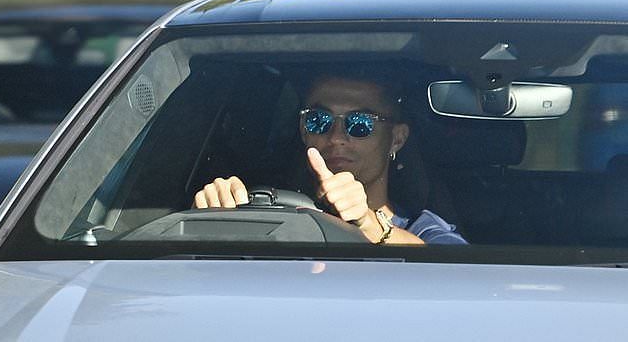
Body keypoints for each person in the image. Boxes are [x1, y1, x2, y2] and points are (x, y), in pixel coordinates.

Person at [194, 68, 466, 245]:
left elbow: (458, 272)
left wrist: (368, 223)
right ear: (303, 131)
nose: (336, 137)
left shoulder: (422, 227)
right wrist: (213, 216)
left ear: (396, 139)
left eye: (360, 124)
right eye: (318, 120)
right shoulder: (265, 215)